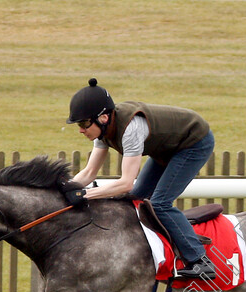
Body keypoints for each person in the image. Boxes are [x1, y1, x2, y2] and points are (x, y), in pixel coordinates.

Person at [66, 78, 217, 279]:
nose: (81, 130)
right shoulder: (103, 131)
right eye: (79, 124)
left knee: (160, 203)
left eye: (84, 123)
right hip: (168, 147)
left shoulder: (130, 129)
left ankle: (200, 261)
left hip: (194, 143)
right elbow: (89, 172)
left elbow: (126, 182)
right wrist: (65, 189)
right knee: (136, 198)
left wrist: (85, 195)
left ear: (102, 118)